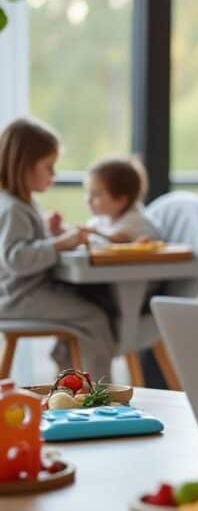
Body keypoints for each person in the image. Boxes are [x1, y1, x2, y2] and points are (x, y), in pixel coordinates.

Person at [0, 117, 116, 378]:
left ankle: (67, 380)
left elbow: (25, 245)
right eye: (49, 167)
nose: (54, 175)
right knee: (94, 318)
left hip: (21, 294)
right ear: (24, 166)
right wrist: (60, 243)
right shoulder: (13, 208)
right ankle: (102, 392)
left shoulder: (19, 204)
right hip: (18, 298)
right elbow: (15, 258)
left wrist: (48, 232)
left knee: (83, 309)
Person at [84, 155, 161, 245]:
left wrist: (92, 232)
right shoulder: (99, 220)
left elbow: (119, 241)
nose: (88, 199)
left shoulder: (136, 221)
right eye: (88, 192)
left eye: (96, 194)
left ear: (121, 200)